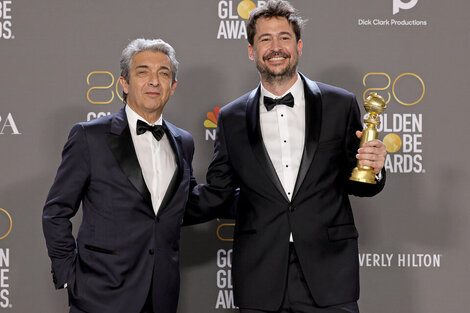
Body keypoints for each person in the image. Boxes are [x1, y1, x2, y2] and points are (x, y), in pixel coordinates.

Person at [187, 1, 387, 312]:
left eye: (284, 37)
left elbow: (360, 183)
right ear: (251, 51)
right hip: (260, 275)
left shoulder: (340, 104)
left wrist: (374, 169)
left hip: (329, 273)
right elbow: (218, 193)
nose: (275, 47)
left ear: (299, 46)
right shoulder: (231, 117)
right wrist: (159, 209)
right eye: (265, 39)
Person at [42, 38, 197, 313]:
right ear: (124, 84)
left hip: (161, 295)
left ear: (173, 87)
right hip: (100, 296)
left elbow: (188, 204)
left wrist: (251, 197)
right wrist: (69, 276)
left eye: (163, 73)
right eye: (143, 72)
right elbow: (56, 211)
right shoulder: (89, 136)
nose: (154, 81)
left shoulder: (183, 141)